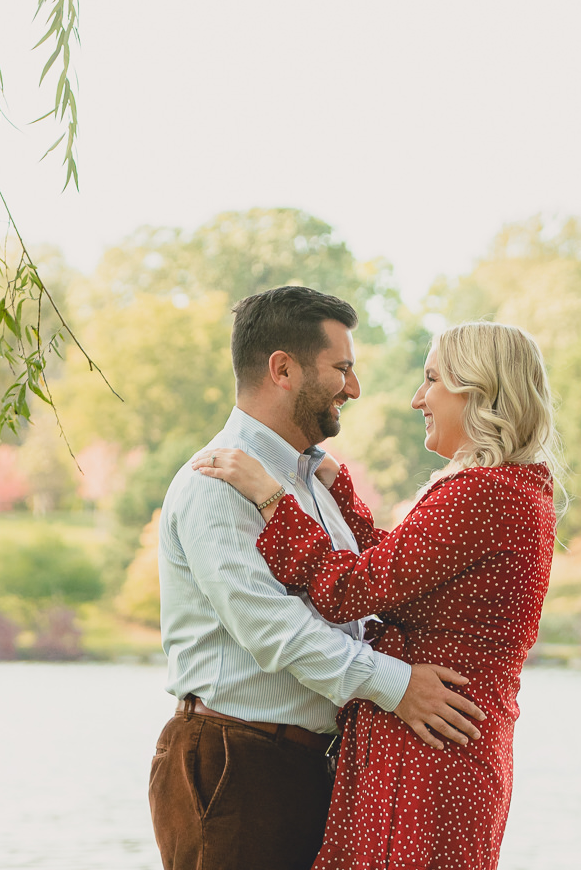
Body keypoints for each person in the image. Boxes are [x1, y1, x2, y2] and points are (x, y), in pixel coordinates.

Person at [194, 320, 562, 870]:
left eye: (432, 379)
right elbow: (398, 578)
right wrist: (341, 489)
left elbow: (350, 591)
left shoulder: (484, 495)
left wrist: (273, 500)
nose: (418, 399)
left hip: (429, 755)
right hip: (438, 747)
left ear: (479, 390)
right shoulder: (510, 490)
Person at [150, 286, 487, 870]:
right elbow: (272, 628)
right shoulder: (217, 479)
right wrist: (397, 684)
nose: (353, 388)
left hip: (306, 764)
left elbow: (359, 588)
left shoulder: (309, 481)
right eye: (342, 368)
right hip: (237, 762)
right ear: (283, 369)